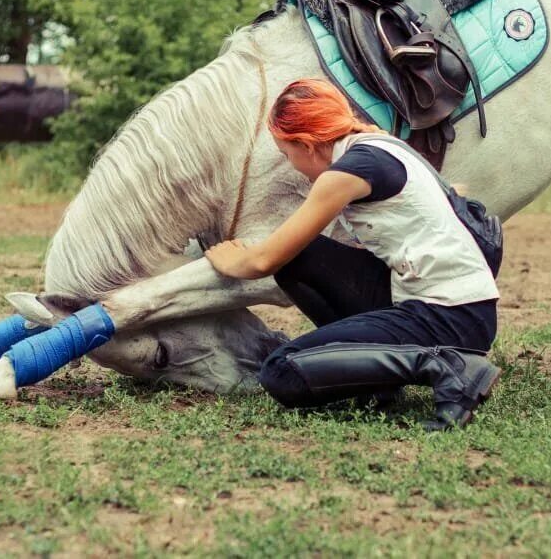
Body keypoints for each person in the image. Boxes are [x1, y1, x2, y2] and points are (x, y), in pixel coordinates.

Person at [204, 78, 501, 431]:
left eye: (287, 154)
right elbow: (289, 254)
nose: (292, 164)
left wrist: (226, 259)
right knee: (302, 258)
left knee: (281, 370)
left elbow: (263, 261)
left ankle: (449, 368)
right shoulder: (377, 145)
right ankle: (376, 382)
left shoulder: (349, 171)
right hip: (452, 303)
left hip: (450, 316)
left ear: (307, 144)